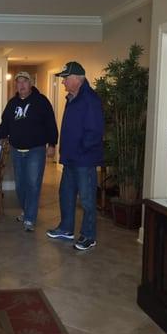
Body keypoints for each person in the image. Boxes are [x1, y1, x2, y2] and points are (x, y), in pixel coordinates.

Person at [46, 61, 104, 251]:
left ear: (78, 79)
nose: (63, 82)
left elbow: (95, 132)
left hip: (84, 159)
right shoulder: (71, 97)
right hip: (70, 158)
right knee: (66, 194)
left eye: (65, 78)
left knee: (87, 200)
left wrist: (80, 150)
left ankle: (89, 236)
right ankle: (66, 228)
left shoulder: (90, 99)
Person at [0, 71, 58, 231]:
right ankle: (26, 211)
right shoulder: (12, 103)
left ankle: (29, 219)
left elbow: (50, 123)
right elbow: (5, 125)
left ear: (31, 83)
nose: (21, 85)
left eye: (24, 81)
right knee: (20, 186)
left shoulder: (41, 101)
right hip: (16, 150)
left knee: (33, 184)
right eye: (18, 82)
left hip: (36, 150)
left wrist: (52, 144)